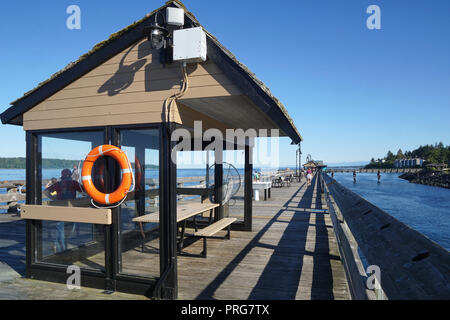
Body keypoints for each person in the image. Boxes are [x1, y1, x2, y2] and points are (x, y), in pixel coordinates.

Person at [44, 168, 83, 253]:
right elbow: (83, 191)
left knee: (60, 228)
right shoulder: (74, 183)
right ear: (70, 176)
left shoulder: (58, 184)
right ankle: (63, 247)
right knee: (69, 227)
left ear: (62, 176)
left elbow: (46, 191)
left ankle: (57, 245)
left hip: (59, 208)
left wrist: (53, 198)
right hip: (71, 209)